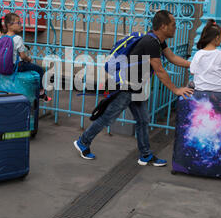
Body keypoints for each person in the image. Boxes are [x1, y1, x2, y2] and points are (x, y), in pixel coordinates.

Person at [73, 10, 194, 166]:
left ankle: (145, 155)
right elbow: (159, 70)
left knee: (143, 120)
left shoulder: (158, 41)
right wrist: (176, 90)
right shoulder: (150, 42)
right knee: (107, 117)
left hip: (136, 87)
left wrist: (194, 64)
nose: (175, 27)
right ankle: (83, 141)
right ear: (163, 26)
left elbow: (172, 57)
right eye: (173, 25)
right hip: (126, 87)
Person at [2, 13, 51, 101]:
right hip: (17, 66)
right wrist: (29, 59)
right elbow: (23, 56)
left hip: (6, 65)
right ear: (10, 25)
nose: (21, 25)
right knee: (39, 69)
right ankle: (41, 92)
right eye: (18, 23)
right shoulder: (17, 38)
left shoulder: (2, 37)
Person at [190, 19, 221, 92]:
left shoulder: (198, 54)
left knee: (191, 83)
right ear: (217, 38)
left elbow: (192, 72)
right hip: (220, 89)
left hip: (201, 88)